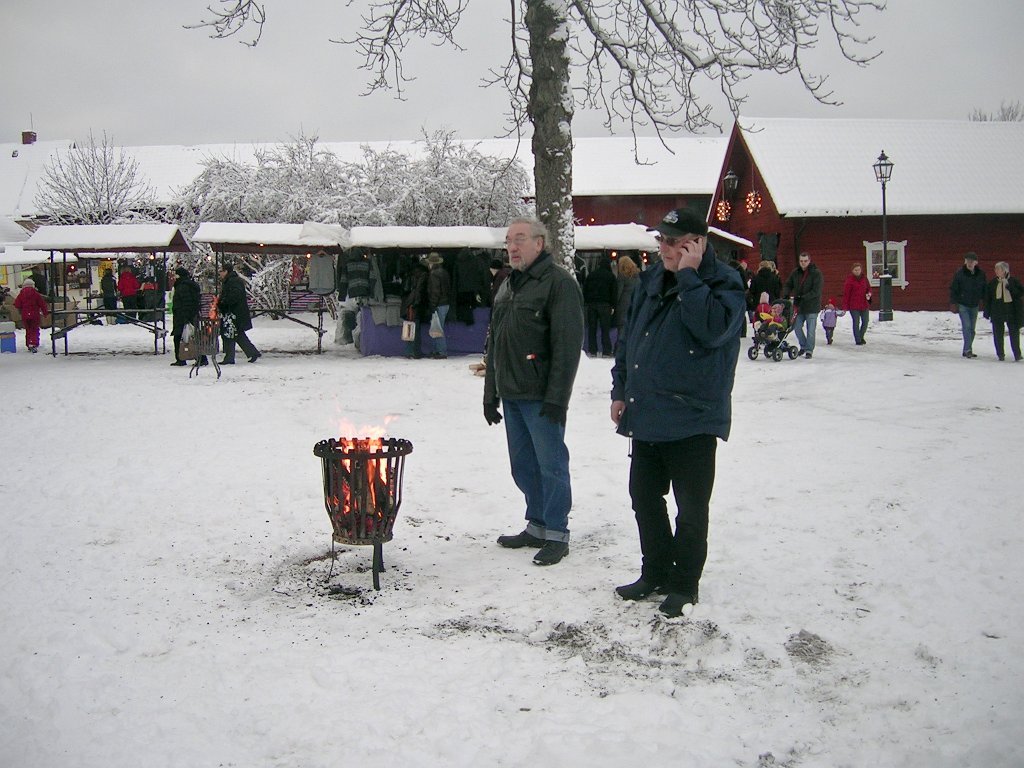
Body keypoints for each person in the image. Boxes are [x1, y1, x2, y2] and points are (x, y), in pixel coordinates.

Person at [611, 208, 745, 618]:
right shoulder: (651, 279)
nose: (664, 249)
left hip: (693, 417)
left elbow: (712, 329)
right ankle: (655, 571)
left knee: (691, 507)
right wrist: (621, 389)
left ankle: (684, 583)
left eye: (673, 242)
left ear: (697, 243)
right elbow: (629, 337)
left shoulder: (724, 282)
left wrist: (689, 276)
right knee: (644, 497)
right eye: (661, 241)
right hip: (647, 411)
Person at [484, 217, 584, 567]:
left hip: (542, 395)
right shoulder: (509, 284)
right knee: (523, 466)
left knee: (551, 465)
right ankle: (537, 525)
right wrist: (490, 391)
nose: (512, 246)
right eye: (509, 240)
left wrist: (558, 398)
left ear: (539, 243)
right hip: (512, 393)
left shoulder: (558, 284)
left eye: (520, 239)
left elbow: (567, 346)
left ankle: (557, 533)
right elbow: (496, 340)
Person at [217, 261, 261, 364]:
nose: (220, 273)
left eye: (221, 271)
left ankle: (230, 357)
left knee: (229, 334)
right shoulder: (231, 280)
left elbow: (234, 296)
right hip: (234, 313)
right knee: (237, 334)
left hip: (234, 313)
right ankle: (251, 352)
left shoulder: (233, 281)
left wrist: (223, 302)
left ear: (226, 271)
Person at [784, 252, 824, 359]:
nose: (803, 263)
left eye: (805, 261)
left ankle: (809, 350)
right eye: (801, 261)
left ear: (809, 261)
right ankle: (803, 345)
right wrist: (786, 293)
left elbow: (816, 291)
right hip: (799, 306)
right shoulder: (795, 272)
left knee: (810, 330)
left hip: (812, 306)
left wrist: (803, 297)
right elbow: (788, 283)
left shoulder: (816, 273)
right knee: (796, 327)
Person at [983, 261, 1023, 361]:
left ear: (1004, 270)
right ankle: (1000, 354)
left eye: (998, 269)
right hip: (997, 311)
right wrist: (987, 312)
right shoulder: (993, 283)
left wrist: (1009, 287)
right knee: (998, 334)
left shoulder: (1013, 281)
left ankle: (1017, 354)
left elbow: (1019, 294)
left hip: (1011, 311)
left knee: (1014, 333)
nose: (996, 271)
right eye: (995, 269)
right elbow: (988, 298)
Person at [950, 252, 987, 359]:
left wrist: (985, 301)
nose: (970, 263)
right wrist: (953, 302)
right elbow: (954, 288)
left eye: (972, 261)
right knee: (966, 326)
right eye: (968, 261)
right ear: (965, 261)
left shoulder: (980, 274)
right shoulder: (960, 273)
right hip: (963, 304)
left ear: (976, 263)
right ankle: (968, 350)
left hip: (974, 304)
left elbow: (984, 289)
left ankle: (967, 348)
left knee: (972, 329)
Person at [170, 266, 207, 366]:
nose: (174, 277)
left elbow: (186, 302)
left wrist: (185, 317)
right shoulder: (189, 285)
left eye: (175, 275)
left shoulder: (182, 286)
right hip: (190, 315)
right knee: (193, 337)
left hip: (183, 316)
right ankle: (201, 358)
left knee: (179, 338)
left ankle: (181, 358)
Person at [583, 255, 617, 357]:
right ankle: (606, 351)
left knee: (592, 329)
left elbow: (585, 289)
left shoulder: (592, 275)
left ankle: (592, 350)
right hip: (605, 305)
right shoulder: (611, 276)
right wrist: (613, 305)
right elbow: (614, 292)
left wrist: (587, 301)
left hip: (592, 305)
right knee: (605, 329)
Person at [400, 259, 430, 359]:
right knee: (415, 329)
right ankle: (415, 352)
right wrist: (416, 303)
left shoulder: (410, 274)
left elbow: (405, 290)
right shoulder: (423, 275)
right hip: (414, 305)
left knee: (409, 328)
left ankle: (409, 351)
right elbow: (419, 292)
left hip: (408, 303)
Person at [425, 252, 451, 359]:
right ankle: (437, 350)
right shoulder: (444, 272)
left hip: (439, 304)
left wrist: (433, 305)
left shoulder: (434, 274)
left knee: (437, 328)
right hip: (445, 303)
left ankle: (441, 351)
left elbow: (435, 291)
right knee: (438, 328)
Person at [13, 278, 49, 353]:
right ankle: (33, 343)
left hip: (25, 315)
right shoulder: (36, 294)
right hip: (34, 315)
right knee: (35, 329)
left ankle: (29, 343)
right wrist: (45, 313)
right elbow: (42, 304)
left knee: (28, 330)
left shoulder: (21, 294)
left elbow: (16, 304)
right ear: (33, 285)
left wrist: (21, 309)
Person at [842, 263, 872, 345]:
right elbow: (846, 294)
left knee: (865, 321)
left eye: (859, 269)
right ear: (852, 271)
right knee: (856, 322)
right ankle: (858, 340)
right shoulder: (849, 280)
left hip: (864, 304)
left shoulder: (864, 278)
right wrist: (845, 307)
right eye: (855, 270)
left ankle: (861, 336)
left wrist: (869, 293)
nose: (857, 271)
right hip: (854, 305)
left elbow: (869, 288)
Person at [615, 255, 640, 346]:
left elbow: (618, 293)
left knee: (622, 328)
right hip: (636, 304)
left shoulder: (622, 277)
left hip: (623, 306)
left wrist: (614, 304)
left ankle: (620, 348)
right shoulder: (638, 276)